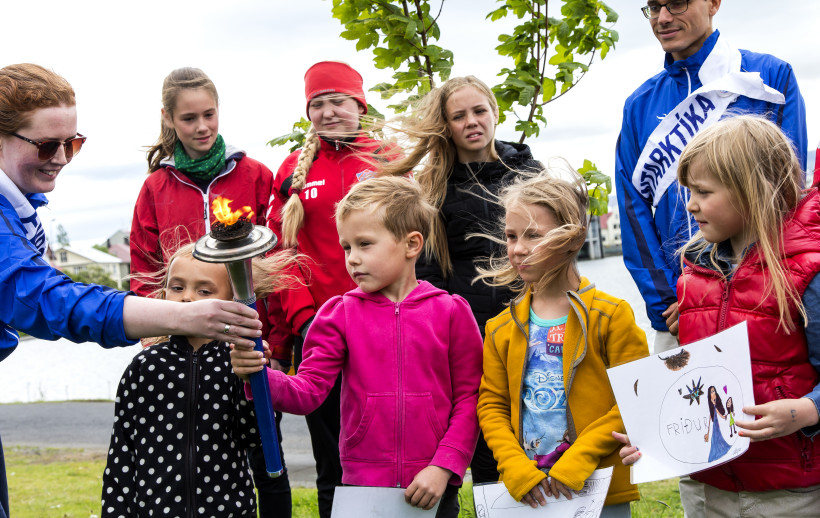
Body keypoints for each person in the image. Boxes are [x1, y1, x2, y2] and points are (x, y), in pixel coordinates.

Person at [0, 63, 262, 518]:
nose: (61, 157)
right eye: (47, 144)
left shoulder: (18, 212)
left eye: (73, 143)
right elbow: (41, 299)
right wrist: (180, 317)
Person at [234, 176, 484, 517]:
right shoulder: (338, 315)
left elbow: (470, 398)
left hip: (432, 484)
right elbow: (307, 391)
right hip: (363, 486)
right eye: (346, 247)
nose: (351, 258)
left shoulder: (451, 312)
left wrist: (444, 466)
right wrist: (258, 375)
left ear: (412, 244)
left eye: (365, 244)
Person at [615, 116, 820, 516]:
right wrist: (652, 433)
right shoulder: (693, 275)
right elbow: (693, 383)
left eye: (703, 192)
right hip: (706, 488)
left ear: (751, 192)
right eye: (689, 191)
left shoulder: (806, 275)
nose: (689, 205)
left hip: (787, 493)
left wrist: (806, 411)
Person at [127, 67, 290, 515]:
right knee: (194, 454)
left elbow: (276, 261)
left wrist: (274, 341)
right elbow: (143, 269)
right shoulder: (155, 186)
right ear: (168, 119)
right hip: (181, 344)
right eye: (188, 119)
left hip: (244, 341)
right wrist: (156, 335)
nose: (201, 127)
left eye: (209, 115)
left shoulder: (255, 174)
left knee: (265, 453)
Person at [615, 0, 808, 355]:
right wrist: (668, 303)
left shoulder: (770, 75)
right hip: (680, 312)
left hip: (765, 302)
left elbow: (788, 191)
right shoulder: (638, 105)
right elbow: (633, 210)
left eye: (676, 3)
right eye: (654, 7)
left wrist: (758, 284)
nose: (663, 18)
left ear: (714, 3)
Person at [378, 75, 541, 483]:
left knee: (541, 419)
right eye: (459, 115)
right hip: (470, 330)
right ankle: (491, 504)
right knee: (486, 426)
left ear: (495, 112)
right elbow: (427, 270)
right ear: (445, 125)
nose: (472, 121)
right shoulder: (432, 187)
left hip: (531, 322)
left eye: (479, 110)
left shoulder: (529, 173)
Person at [475, 169, 649, 517]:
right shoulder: (500, 328)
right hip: (529, 494)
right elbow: (491, 406)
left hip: (599, 489)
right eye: (511, 236)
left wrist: (581, 457)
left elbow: (638, 396)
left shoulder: (612, 316)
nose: (518, 248)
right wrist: (514, 467)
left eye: (533, 236)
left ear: (572, 238)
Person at [265, 60, 394, 517]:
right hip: (322, 334)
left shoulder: (391, 160)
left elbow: (413, 244)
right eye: (317, 104)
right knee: (333, 463)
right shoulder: (293, 173)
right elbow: (281, 256)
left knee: (393, 450)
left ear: (359, 103)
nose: (329, 112)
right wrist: (303, 321)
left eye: (338, 101)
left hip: (387, 328)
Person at [101, 243, 295, 517]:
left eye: (204, 291)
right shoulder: (144, 367)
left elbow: (257, 437)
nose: (187, 298)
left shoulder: (237, 361)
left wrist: (252, 380)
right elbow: (122, 455)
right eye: (177, 287)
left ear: (230, 302)